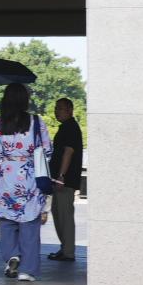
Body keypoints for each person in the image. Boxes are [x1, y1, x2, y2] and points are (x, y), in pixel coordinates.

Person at [0, 84, 51, 281]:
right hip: (30, 176)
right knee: (30, 225)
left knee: (6, 223)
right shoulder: (36, 122)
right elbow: (47, 150)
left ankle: (11, 255)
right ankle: (27, 271)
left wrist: (6, 163)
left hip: (6, 176)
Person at [49, 97, 84, 262]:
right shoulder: (66, 127)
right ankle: (65, 248)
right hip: (61, 179)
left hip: (65, 180)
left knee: (64, 215)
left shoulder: (71, 127)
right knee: (58, 212)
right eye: (56, 108)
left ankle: (68, 251)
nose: (57, 111)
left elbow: (68, 152)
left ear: (70, 110)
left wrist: (61, 176)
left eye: (60, 108)